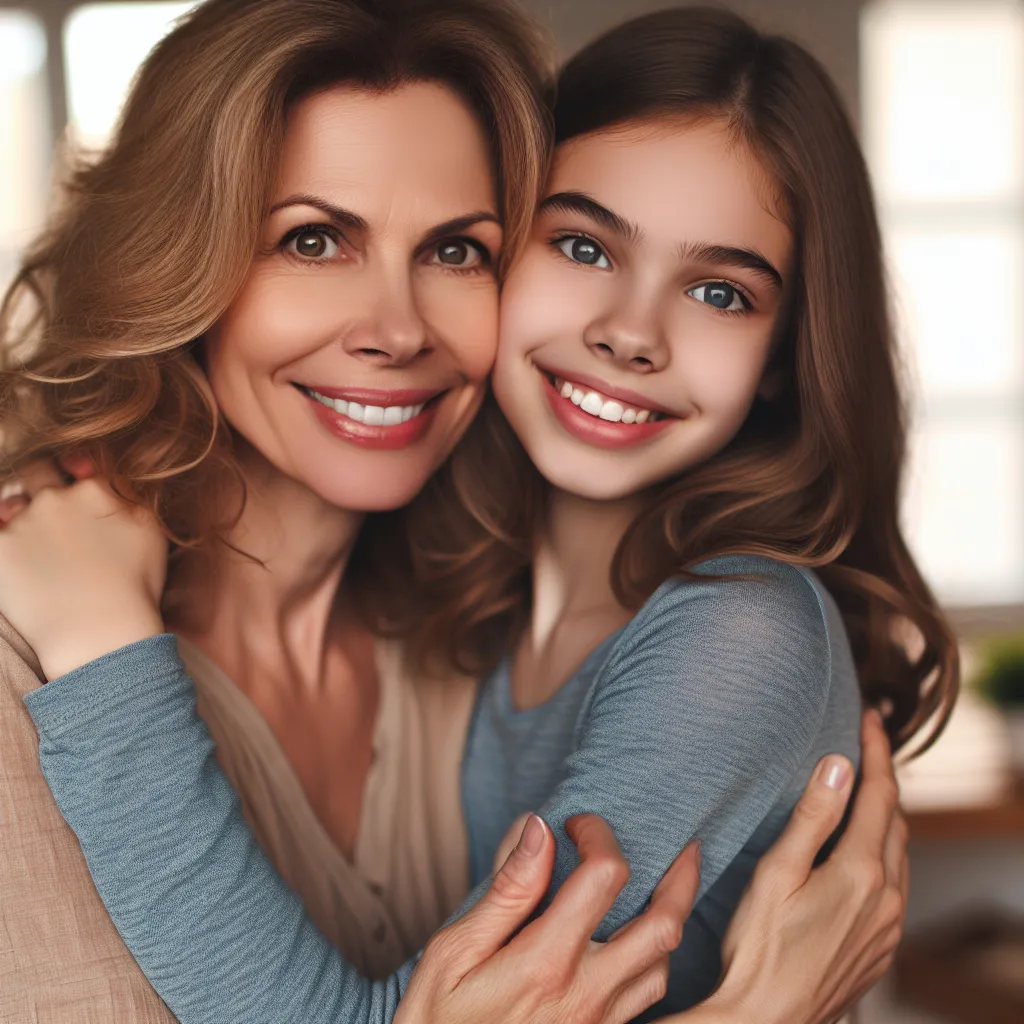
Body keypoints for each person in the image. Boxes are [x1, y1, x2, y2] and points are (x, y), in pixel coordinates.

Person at [0, 2, 942, 1021]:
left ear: (782, 358)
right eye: (583, 248)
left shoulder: (736, 633)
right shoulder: (468, 608)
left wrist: (103, 643)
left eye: (454, 249)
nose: (631, 334)